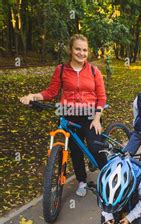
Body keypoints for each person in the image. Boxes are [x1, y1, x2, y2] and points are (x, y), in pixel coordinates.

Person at [20, 34, 107, 197]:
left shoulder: (94, 71)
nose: (81, 53)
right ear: (70, 50)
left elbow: (101, 97)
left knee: (96, 148)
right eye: (78, 49)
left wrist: (97, 118)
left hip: (90, 115)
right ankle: (82, 181)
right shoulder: (61, 70)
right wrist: (33, 96)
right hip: (69, 114)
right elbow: (51, 92)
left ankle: (107, 177)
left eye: (85, 50)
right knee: (75, 151)